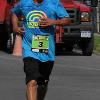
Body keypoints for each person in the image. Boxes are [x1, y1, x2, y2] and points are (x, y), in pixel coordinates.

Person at [11, 0, 70, 100]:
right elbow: (14, 12)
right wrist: (15, 27)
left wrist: (53, 21)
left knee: (42, 84)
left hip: (47, 52)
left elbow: (67, 20)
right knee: (32, 82)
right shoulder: (24, 3)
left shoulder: (54, 3)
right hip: (29, 49)